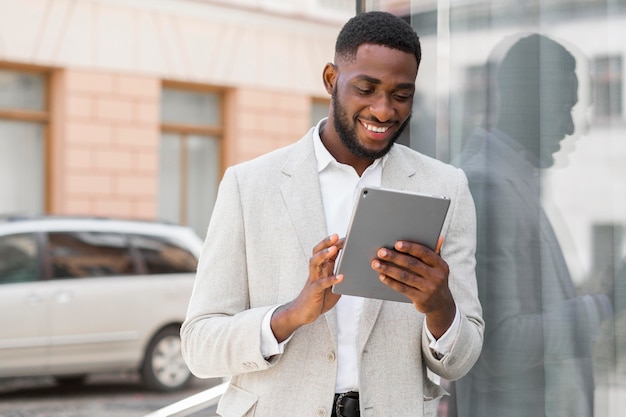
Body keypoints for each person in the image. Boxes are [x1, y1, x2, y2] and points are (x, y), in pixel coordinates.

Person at [181, 11, 483, 417]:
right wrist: (289, 316)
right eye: (366, 88)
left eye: (401, 94)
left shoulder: (446, 188)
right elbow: (199, 346)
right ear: (330, 80)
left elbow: (461, 360)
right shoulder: (249, 185)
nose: (383, 111)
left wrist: (440, 306)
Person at [453, 34, 614, 417]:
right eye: (564, 107)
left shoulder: (512, 178)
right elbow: (498, 345)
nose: (571, 126)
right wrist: (605, 304)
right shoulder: (489, 185)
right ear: (529, 101)